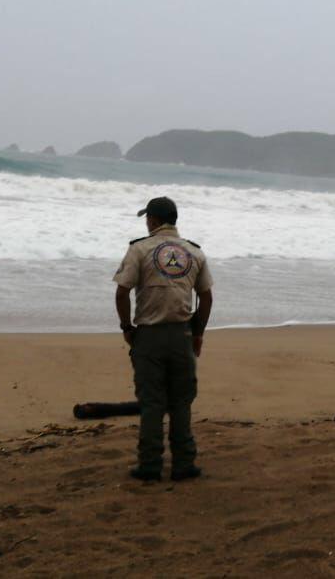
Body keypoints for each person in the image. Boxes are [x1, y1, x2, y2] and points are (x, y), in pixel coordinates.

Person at [114, 196, 213, 481]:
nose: (146, 223)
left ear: (154, 220)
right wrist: (198, 334)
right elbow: (205, 296)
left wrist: (127, 328)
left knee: (152, 402)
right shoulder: (194, 252)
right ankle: (183, 464)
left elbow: (122, 292)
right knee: (181, 401)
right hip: (182, 335)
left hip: (149, 336)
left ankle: (150, 465)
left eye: (147, 218)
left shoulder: (139, 250)